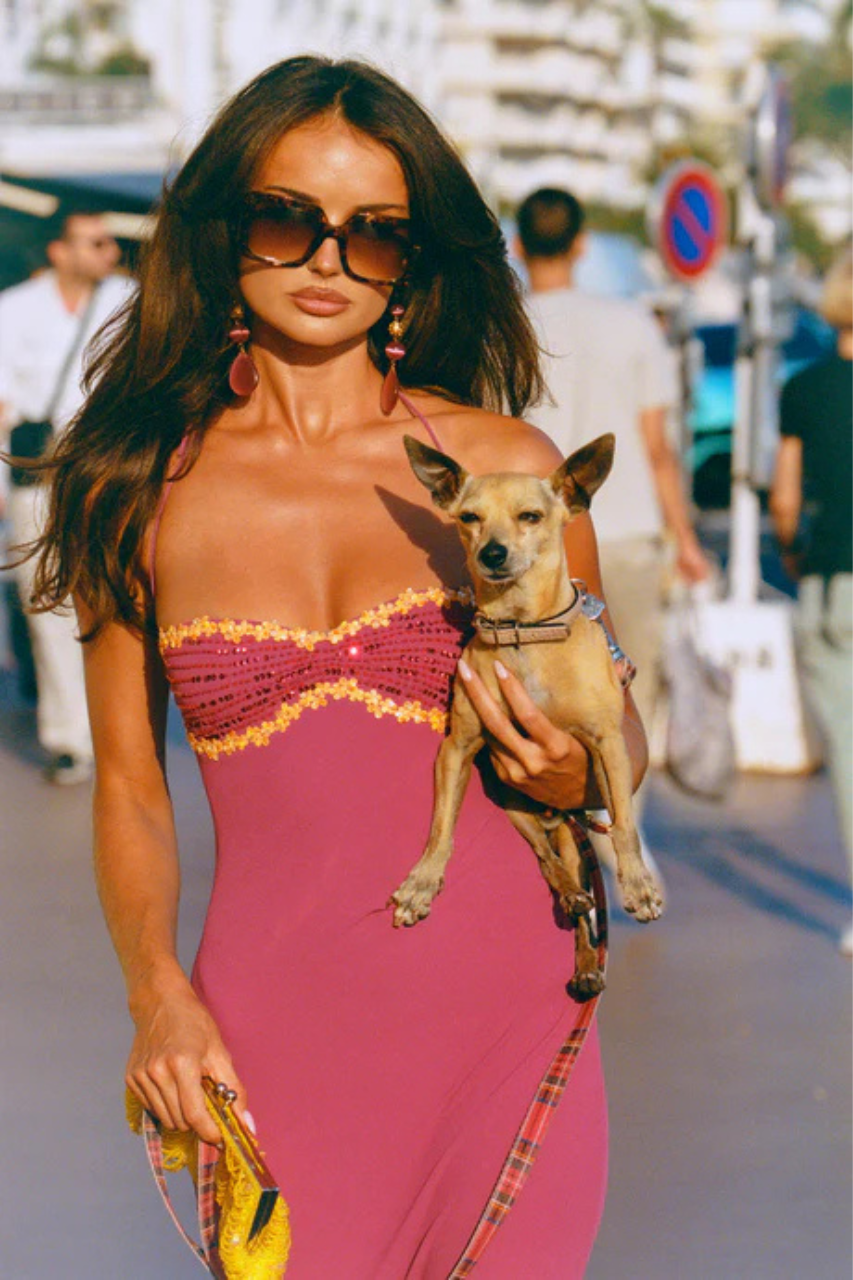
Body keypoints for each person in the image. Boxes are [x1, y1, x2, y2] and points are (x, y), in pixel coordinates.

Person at [31, 59, 648, 1277]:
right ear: (225, 233)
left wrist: (576, 763)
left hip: (503, 1016)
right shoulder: (132, 485)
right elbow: (130, 788)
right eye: (288, 219)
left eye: (374, 234)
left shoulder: (502, 470)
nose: (327, 261)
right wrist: (156, 992)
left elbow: (618, 728)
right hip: (266, 1035)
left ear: (413, 261)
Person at [515, 188, 711, 877]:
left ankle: (561, 832)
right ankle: (623, 830)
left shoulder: (506, 322)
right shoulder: (630, 323)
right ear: (580, 244)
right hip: (623, 530)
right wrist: (684, 539)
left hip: (532, 545)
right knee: (631, 688)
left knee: (536, 687)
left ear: (517, 245)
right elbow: (657, 448)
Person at [0, 209, 132, 783]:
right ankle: (69, 739)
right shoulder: (14, 311)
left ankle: (119, 730)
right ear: (59, 250)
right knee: (46, 606)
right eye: (94, 241)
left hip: (111, 475)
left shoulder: (129, 301)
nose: (108, 251)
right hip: (40, 476)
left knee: (116, 603)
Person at [770, 247, 853, 957]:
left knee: (850, 753)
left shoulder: (803, 387)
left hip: (833, 584)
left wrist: (799, 557)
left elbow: (786, 503)